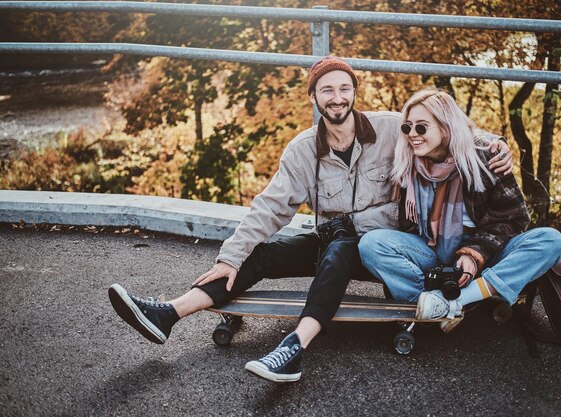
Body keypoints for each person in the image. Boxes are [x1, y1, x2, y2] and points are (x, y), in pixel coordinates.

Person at [108, 58, 512, 383]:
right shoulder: (303, 150)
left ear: (354, 93)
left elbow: (447, 130)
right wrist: (231, 256)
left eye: (344, 88)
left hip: (381, 247)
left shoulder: (392, 129)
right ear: (315, 97)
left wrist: (495, 142)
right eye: (327, 90)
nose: (337, 98)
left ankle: (294, 349)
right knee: (263, 255)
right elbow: (270, 207)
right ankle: (168, 314)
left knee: (339, 249)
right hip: (331, 237)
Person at [358, 89, 561, 333]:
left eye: (422, 127)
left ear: (446, 127)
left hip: (486, 251)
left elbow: (513, 220)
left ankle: (458, 301)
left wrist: (474, 253)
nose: (412, 134)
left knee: (551, 240)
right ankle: (428, 301)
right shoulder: (408, 162)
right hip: (433, 249)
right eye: (407, 127)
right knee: (371, 244)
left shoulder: (485, 158)